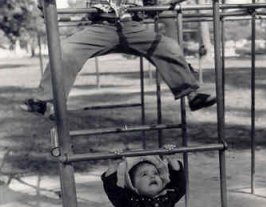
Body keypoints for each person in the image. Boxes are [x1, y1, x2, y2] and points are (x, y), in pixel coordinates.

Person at [22, 0, 215, 118]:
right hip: (101, 27)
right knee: (65, 50)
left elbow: (160, 10)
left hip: (133, 27)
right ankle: (47, 100)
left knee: (169, 47)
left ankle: (192, 95)